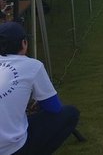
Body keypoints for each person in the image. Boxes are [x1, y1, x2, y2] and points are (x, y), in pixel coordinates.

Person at [0, 21, 80, 155]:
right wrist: (40, 100)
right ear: (23, 43)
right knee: (71, 113)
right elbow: (54, 107)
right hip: (11, 149)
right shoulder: (32, 66)